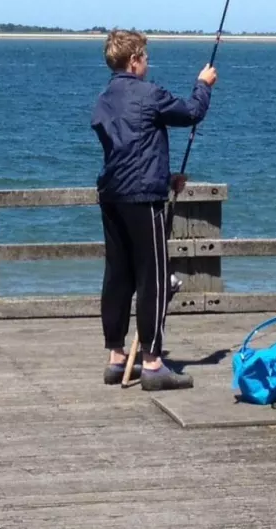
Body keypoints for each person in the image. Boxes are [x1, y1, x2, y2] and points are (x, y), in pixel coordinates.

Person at [92, 28, 217, 391]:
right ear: (134, 61)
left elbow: (128, 150)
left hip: (112, 195)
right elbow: (192, 112)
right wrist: (203, 83)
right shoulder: (148, 95)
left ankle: (116, 358)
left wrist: (164, 178)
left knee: (117, 275)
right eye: (145, 57)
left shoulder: (103, 100)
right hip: (141, 199)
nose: (148, 63)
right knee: (155, 278)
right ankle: (152, 362)